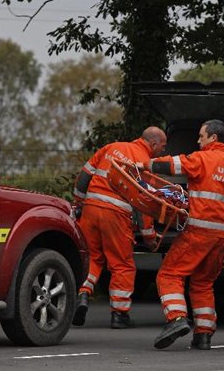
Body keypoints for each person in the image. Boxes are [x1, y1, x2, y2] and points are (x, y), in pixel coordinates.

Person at [141, 119, 224, 350]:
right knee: (202, 283)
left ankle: (176, 318)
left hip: (198, 232)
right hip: (221, 239)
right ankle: (204, 335)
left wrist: (145, 165)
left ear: (213, 138)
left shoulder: (202, 159)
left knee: (169, 274)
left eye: (201, 136)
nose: (198, 140)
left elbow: (173, 166)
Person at [72, 126, 168, 329]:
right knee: (122, 264)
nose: (163, 151)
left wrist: (78, 203)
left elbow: (84, 176)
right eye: (162, 146)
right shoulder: (145, 163)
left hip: (90, 209)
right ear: (152, 144)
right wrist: (149, 235)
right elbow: (144, 202)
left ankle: (82, 294)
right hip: (116, 214)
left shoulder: (111, 147)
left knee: (92, 257)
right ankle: (119, 314)